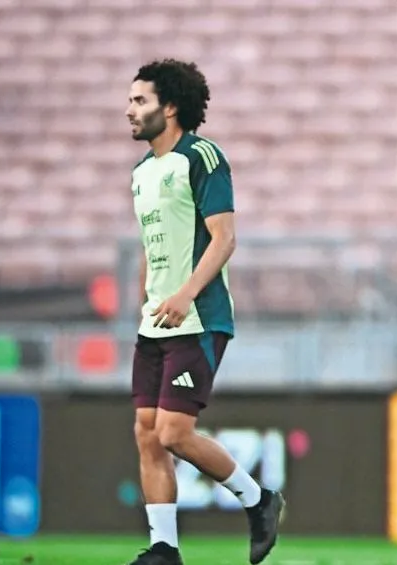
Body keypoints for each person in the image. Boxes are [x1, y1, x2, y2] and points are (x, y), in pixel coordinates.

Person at [125, 59, 283, 565]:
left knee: (173, 432)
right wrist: (148, 299)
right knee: (147, 431)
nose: (130, 110)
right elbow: (153, 247)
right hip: (156, 321)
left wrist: (187, 294)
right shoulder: (142, 172)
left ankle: (258, 500)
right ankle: (164, 548)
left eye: (140, 100)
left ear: (170, 107)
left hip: (198, 316)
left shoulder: (202, 157)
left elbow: (224, 238)